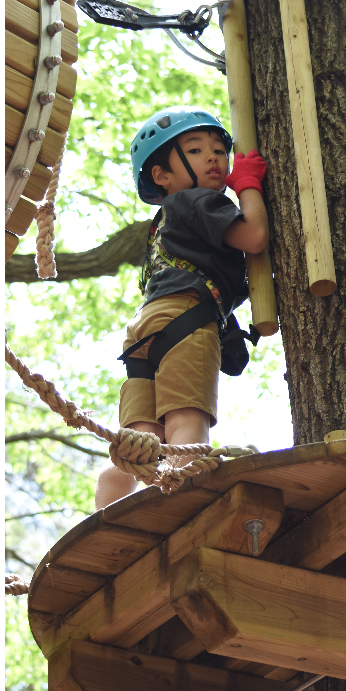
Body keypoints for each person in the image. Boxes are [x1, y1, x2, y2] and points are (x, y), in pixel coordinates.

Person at [94, 106, 270, 509]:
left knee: (139, 447)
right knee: (185, 427)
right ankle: (178, 511)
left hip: (145, 331)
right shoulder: (195, 200)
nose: (214, 158)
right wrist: (247, 185)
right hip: (185, 318)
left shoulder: (163, 222)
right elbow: (255, 236)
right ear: (162, 176)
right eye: (195, 150)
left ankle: (107, 514)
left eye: (219, 151)